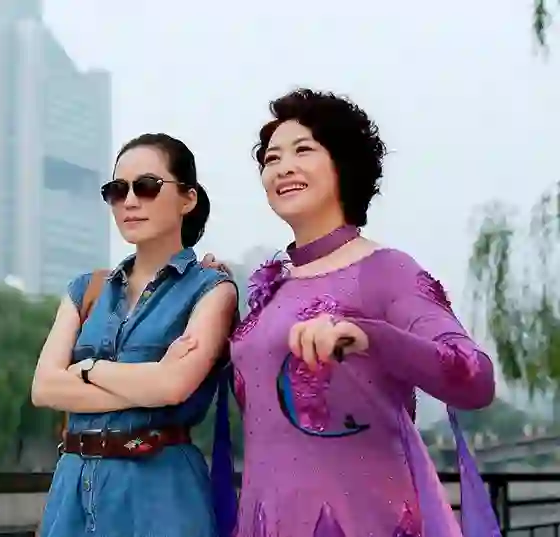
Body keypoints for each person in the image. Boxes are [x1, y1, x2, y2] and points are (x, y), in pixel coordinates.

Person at [204, 89, 500, 537]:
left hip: (364, 520)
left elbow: (475, 377)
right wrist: (210, 299)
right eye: (271, 158)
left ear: (343, 163)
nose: (282, 167)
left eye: (303, 150)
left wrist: (368, 336)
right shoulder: (272, 286)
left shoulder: (385, 270)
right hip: (265, 520)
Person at [31, 133, 237, 537]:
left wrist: (87, 369)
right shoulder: (85, 290)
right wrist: (150, 383)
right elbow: (43, 388)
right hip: (72, 490)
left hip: (160, 493)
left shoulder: (212, 289)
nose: (129, 201)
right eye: (116, 190)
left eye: (146, 187)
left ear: (188, 198)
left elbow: (174, 386)